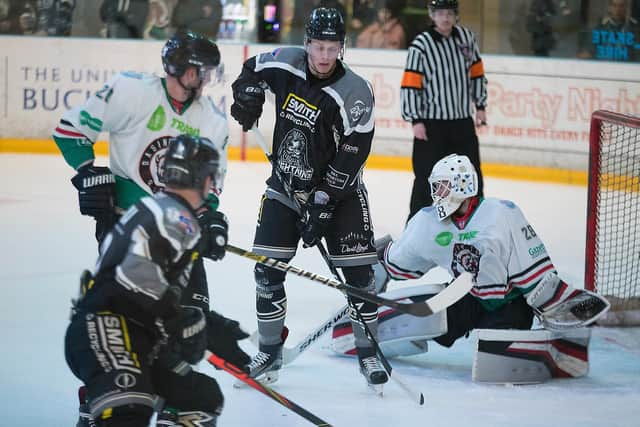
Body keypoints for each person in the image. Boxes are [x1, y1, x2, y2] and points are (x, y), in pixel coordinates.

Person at [52, 31, 232, 425]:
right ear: (180, 69)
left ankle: (171, 399)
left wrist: (211, 216)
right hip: (125, 222)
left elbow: (210, 187)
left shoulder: (212, 120)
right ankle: (106, 391)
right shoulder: (130, 92)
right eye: (201, 71)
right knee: (130, 314)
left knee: (188, 316)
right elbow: (69, 131)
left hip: (180, 230)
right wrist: (89, 175)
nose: (205, 81)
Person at [229, 7, 389, 388]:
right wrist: (247, 95)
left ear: (342, 48)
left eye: (332, 48)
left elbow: (355, 150)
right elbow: (250, 69)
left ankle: (369, 353)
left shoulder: (355, 91)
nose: (323, 56)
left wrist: (323, 201)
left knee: (358, 277)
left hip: (341, 195)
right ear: (307, 44)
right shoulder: (286, 62)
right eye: (318, 46)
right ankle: (269, 350)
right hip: (285, 186)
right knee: (267, 269)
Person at [65, 135, 250, 427]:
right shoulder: (175, 218)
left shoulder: (160, 209)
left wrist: (208, 325)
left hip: (130, 333)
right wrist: (183, 323)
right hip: (107, 330)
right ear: (203, 178)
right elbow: (134, 285)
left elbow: (153, 291)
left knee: (200, 398)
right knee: (129, 410)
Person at [377, 153, 610, 350]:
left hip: (509, 302)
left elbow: (534, 269)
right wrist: (373, 261)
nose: (437, 194)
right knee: (424, 320)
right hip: (465, 296)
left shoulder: (501, 213)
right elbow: (400, 262)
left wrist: (556, 302)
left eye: (443, 187)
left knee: (491, 349)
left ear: (462, 185)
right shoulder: (428, 222)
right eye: (436, 187)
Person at [400, 0, 487, 222]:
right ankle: (416, 225)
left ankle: (476, 222)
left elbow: (476, 73)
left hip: (461, 122)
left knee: (471, 175)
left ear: (455, 15)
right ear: (432, 15)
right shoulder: (421, 44)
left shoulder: (467, 39)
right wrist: (415, 119)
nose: (445, 18)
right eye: (440, 13)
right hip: (431, 124)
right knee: (425, 178)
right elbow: (411, 84)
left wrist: (480, 106)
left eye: (449, 13)